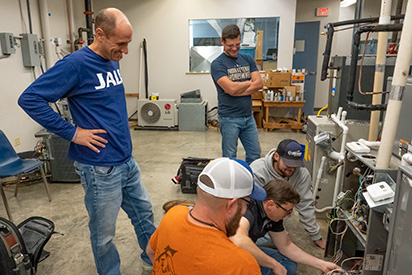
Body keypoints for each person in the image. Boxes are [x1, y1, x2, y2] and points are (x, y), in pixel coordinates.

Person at [18, 8, 156, 275]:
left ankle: (153, 261)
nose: (125, 51)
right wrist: (73, 133)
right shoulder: (75, 65)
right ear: (100, 34)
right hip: (99, 167)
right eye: (121, 44)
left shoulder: (111, 57)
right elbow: (30, 99)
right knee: (103, 234)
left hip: (126, 161)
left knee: (144, 216)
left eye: (128, 43)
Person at [146, 157, 267, 274]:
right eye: (247, 202)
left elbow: (151, 252)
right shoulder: (241, 265)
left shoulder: (172, 214)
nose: (245, 210)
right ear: (232, 204)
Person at [230, 179, 341, 275]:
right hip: (229, 253)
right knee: (273, 266)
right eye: (287, 211)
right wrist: (273, 265)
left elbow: (286, 246)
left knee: (287, 263)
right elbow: (239, 241)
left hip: (244, 251)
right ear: (270, 205)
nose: (289, 215)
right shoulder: (250, 209)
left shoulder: (273, 216)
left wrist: (322, 264)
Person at [250, 139, 326, 249]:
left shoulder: (301, 174)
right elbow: (252, 207)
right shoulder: (258, 171)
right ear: (276, 156)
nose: (292, 168)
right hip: (258, 214)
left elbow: (306, 205)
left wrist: (316, 236)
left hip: (277, 213)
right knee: (271, 242)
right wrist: (281, 232)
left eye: (295, 164)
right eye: (288, 163)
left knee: (284, 244)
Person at [211, 24, 263, 165]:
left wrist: (236, 89)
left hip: (248, 117)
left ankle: (251, 183)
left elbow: (259, 84)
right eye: (230, 45)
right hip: (229, 118)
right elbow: (231, 89)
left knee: (255, 155)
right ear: (222, 41)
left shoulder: (247, 59)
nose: (234, 48)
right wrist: (247, 83)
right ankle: (231, 186)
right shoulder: (217, 64)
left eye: (237, 44)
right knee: (230, 158)